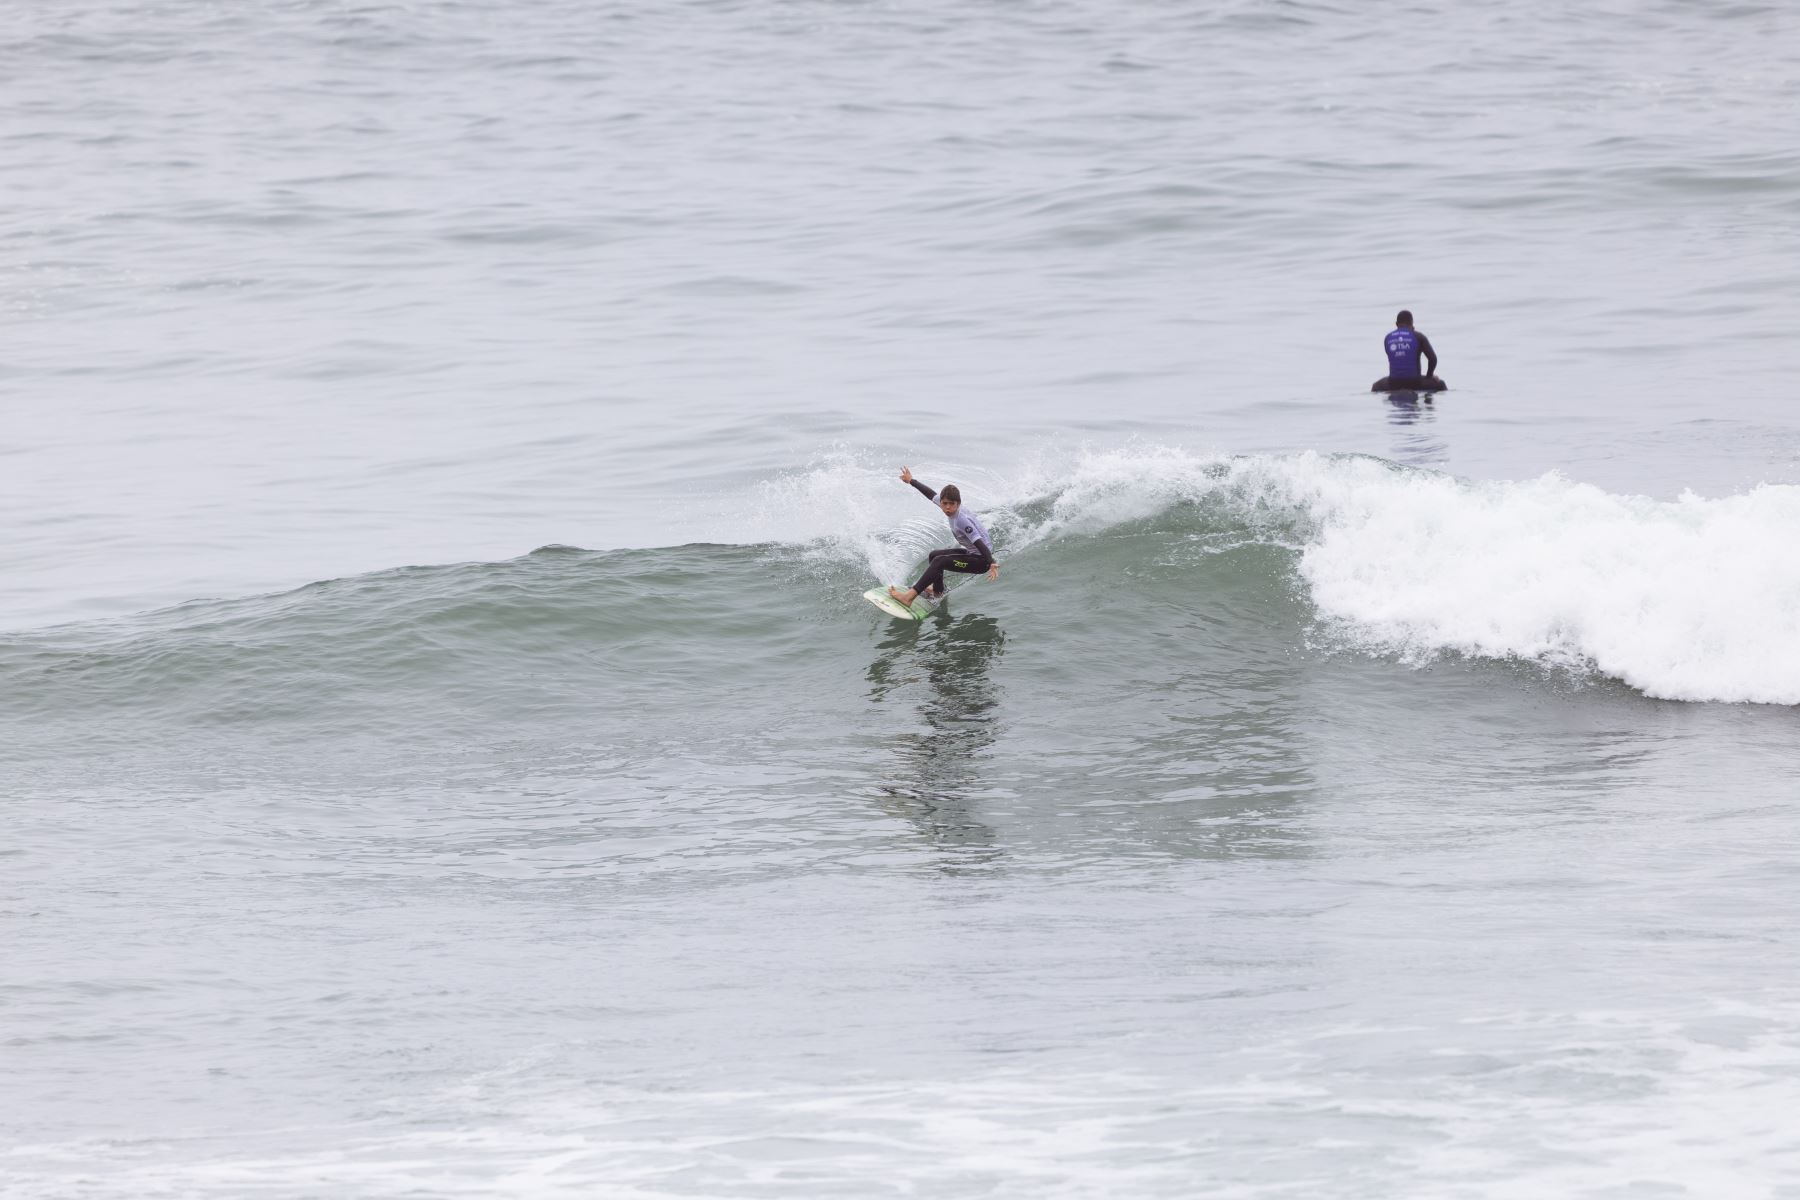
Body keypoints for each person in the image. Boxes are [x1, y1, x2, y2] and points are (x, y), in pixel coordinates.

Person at [888, 466, 999, 607]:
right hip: (974, 553)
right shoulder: (946, 506)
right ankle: (938, 591)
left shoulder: (961, 520)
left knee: (939, 561)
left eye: (951, 504)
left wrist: (992, 562)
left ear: (958, 504)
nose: (947, 507)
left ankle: (908, 598)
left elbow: (978, 541)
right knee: (934, 555)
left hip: (982, 560)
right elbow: (930, 494)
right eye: (944, 503)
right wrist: (911, 480)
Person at [1372, 310, 1445, 392]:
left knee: (1375, 386)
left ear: (1396, 324)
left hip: (1393, 383)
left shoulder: (1388, 338)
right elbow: (1433, 359)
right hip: (1415, 383)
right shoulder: (1418, 336)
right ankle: (1428, 402)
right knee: (1441, 384)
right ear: (1412, 323)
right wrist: (1429, 376)